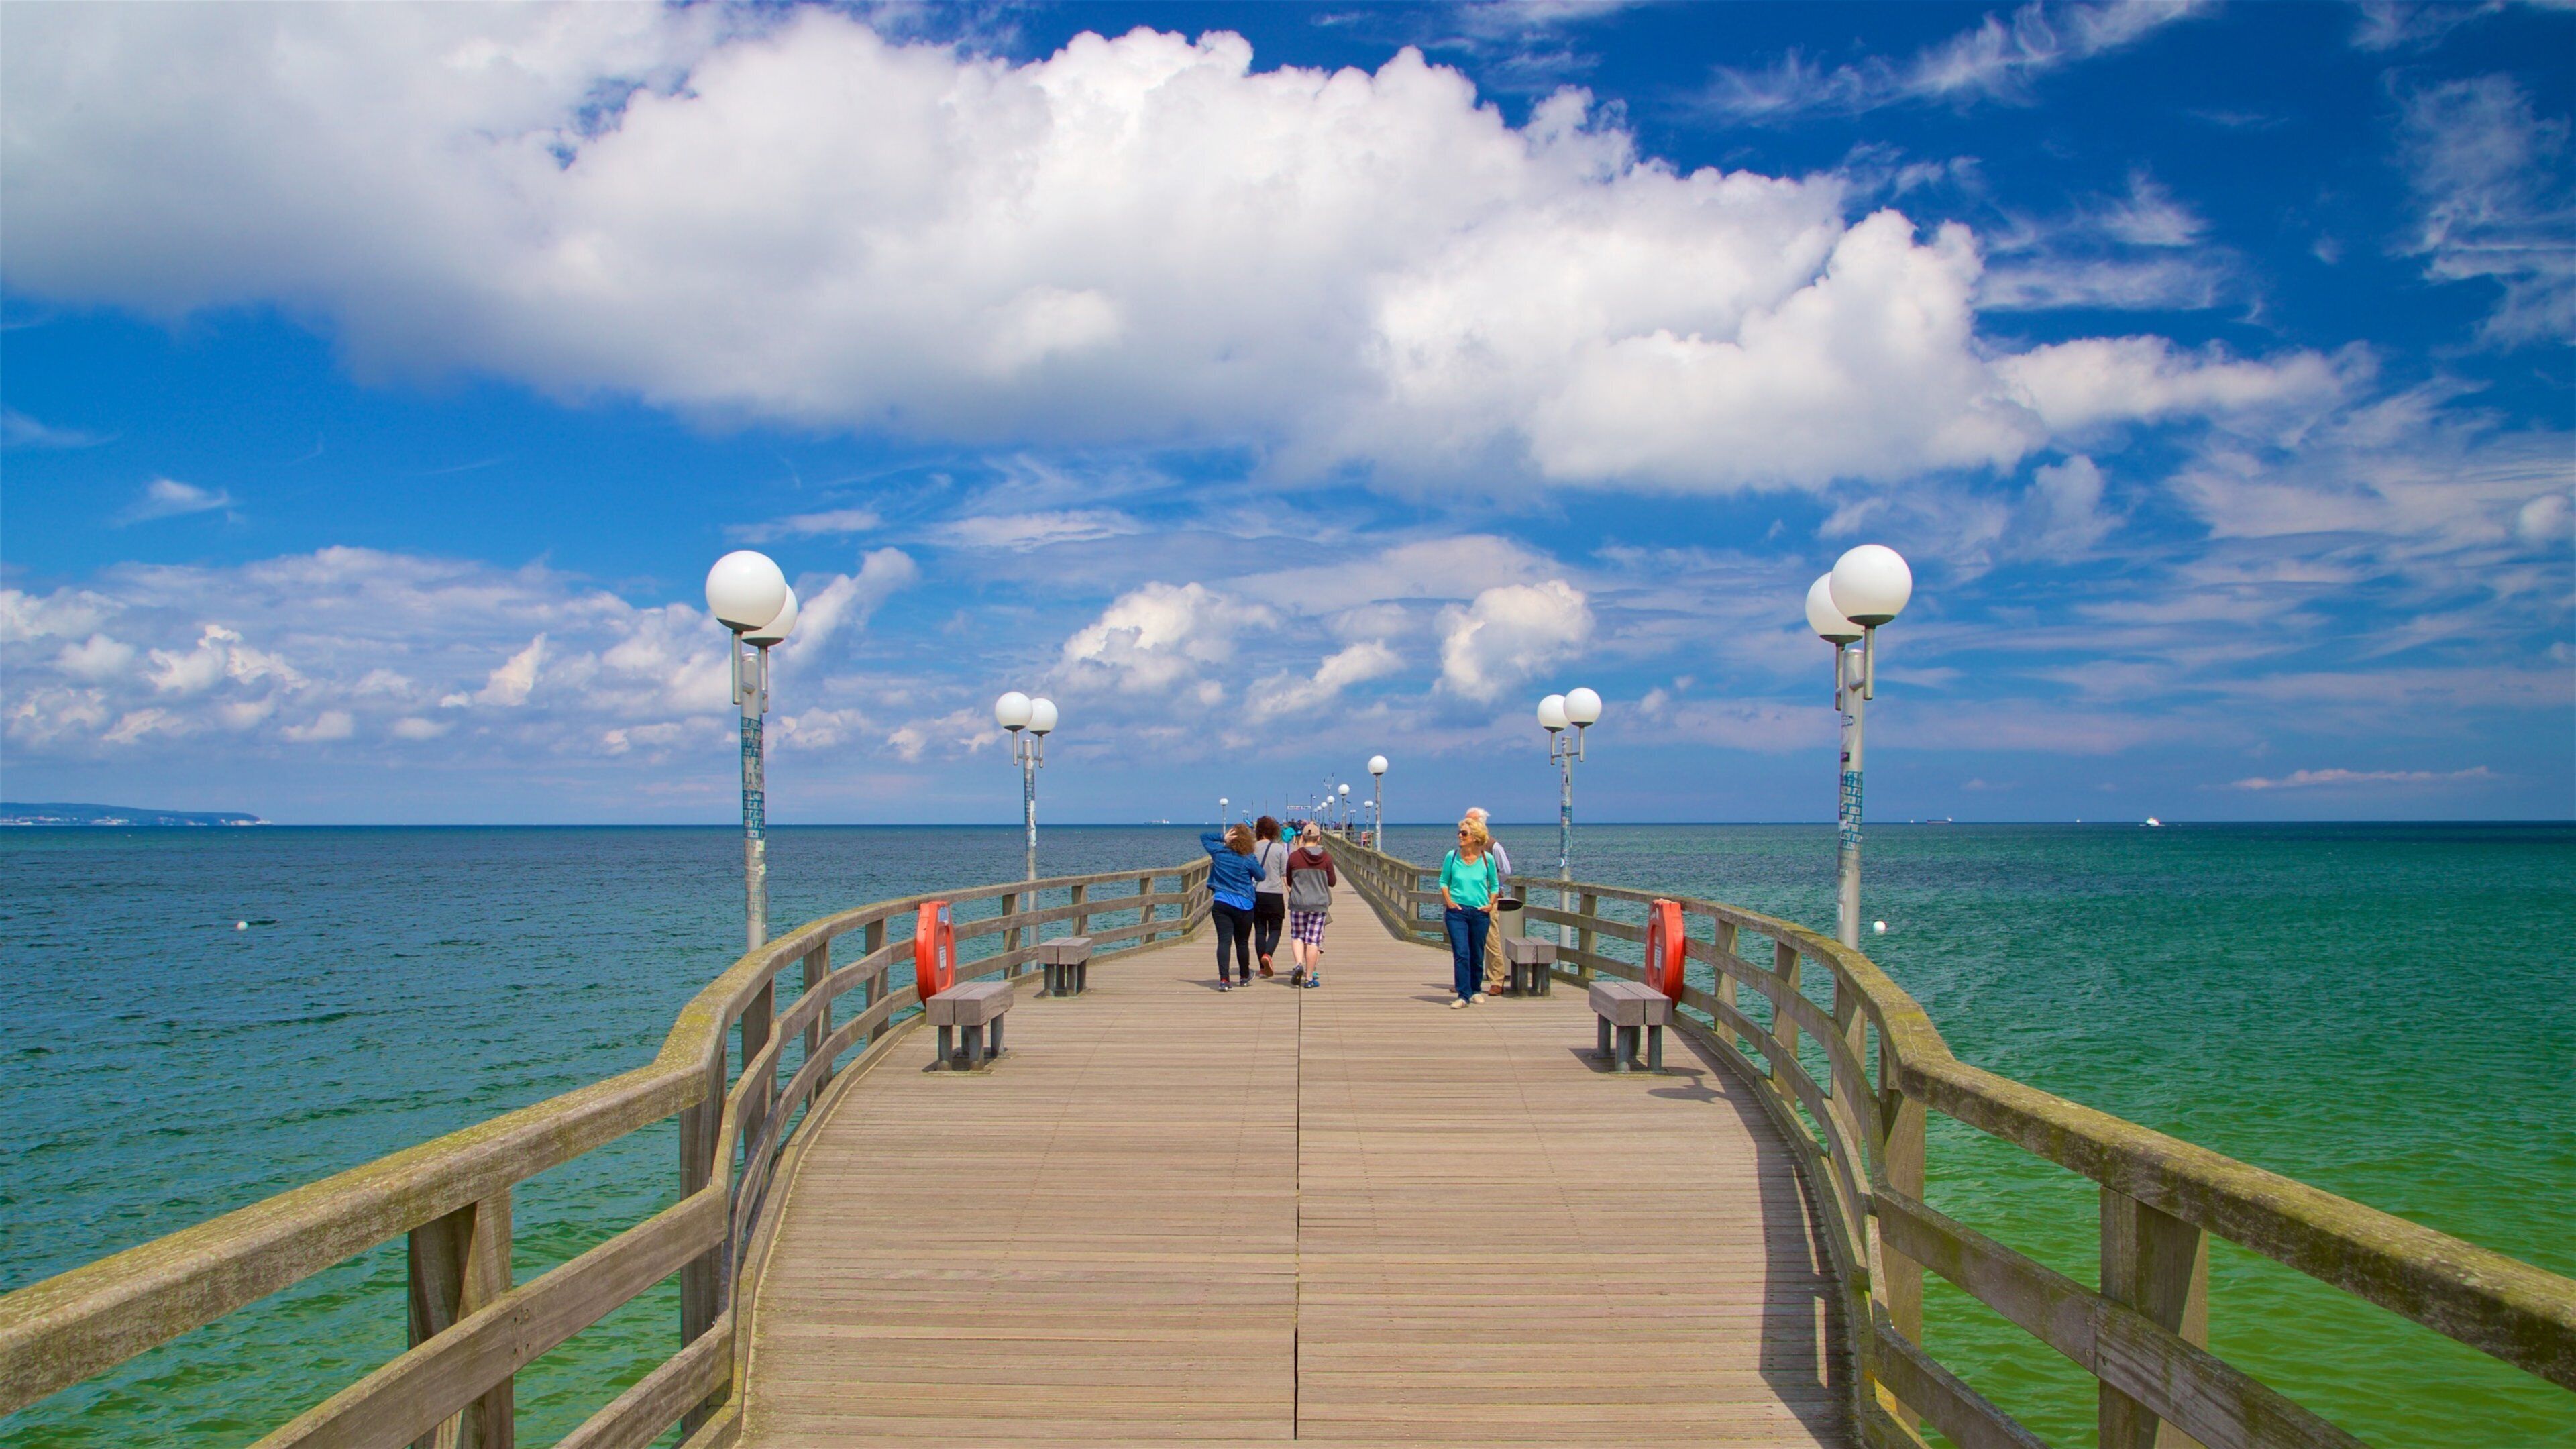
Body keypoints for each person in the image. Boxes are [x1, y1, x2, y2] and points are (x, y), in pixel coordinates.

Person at [1440, 814, 1501, 1008]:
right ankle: (1463, 995)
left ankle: (1476, 990)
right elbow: (1443, 882)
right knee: (1461, 953)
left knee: (1477, 953)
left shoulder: (1486, 858)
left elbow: (1495, 885)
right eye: (1459, 832)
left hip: (1479, 912)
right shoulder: (1452, 856)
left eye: (1464, 833)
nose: (1460, 836)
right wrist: (1449, 901)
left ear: (1475, 837)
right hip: (1457, 912)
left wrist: (1491, 904)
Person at [1201, 823, 1265, 991]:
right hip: (1244, 904)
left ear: (1231, 839)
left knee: (1224, 941)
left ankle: (1224, 980)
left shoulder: (1219, 853)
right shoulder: (1249, 858)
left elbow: (1204, 837)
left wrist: (1222, 837)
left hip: (1221, 902)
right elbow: (1261, 876)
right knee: (1242, 942)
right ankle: (1244, 977)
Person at [1465, 807, 1515, 996]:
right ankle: (1466, 980)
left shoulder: (1493, 846)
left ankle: (1496, 981)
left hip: (1486, 899)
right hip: (1466, 898)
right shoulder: (1464, 846)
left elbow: (1506, 870)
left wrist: (1493, 887)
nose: (1467, 825)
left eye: (1471, 822)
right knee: (1466, 941)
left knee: (1491, 939)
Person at [1283, 822, 1337, 988]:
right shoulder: (1326, 857)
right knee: (1313, 940)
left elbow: (1290, 880)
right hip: (1319, 903)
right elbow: (1332, 882)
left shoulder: (1294, 857)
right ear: (1319, 838)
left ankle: (1299, 963)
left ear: (1302, 838)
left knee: (1298, 936)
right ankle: (1308, 979)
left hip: (1299, 902)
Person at [1250, 816, 1290, 977]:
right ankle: (1268, 954)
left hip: (1256, 894)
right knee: (1275, 929)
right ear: (1274, 831)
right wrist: (1292, 892)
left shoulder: (1251, 848)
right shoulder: (1279, 849)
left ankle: (1262, 967)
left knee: (1260, 931)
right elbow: (1285, 874)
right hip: (1274, 894)